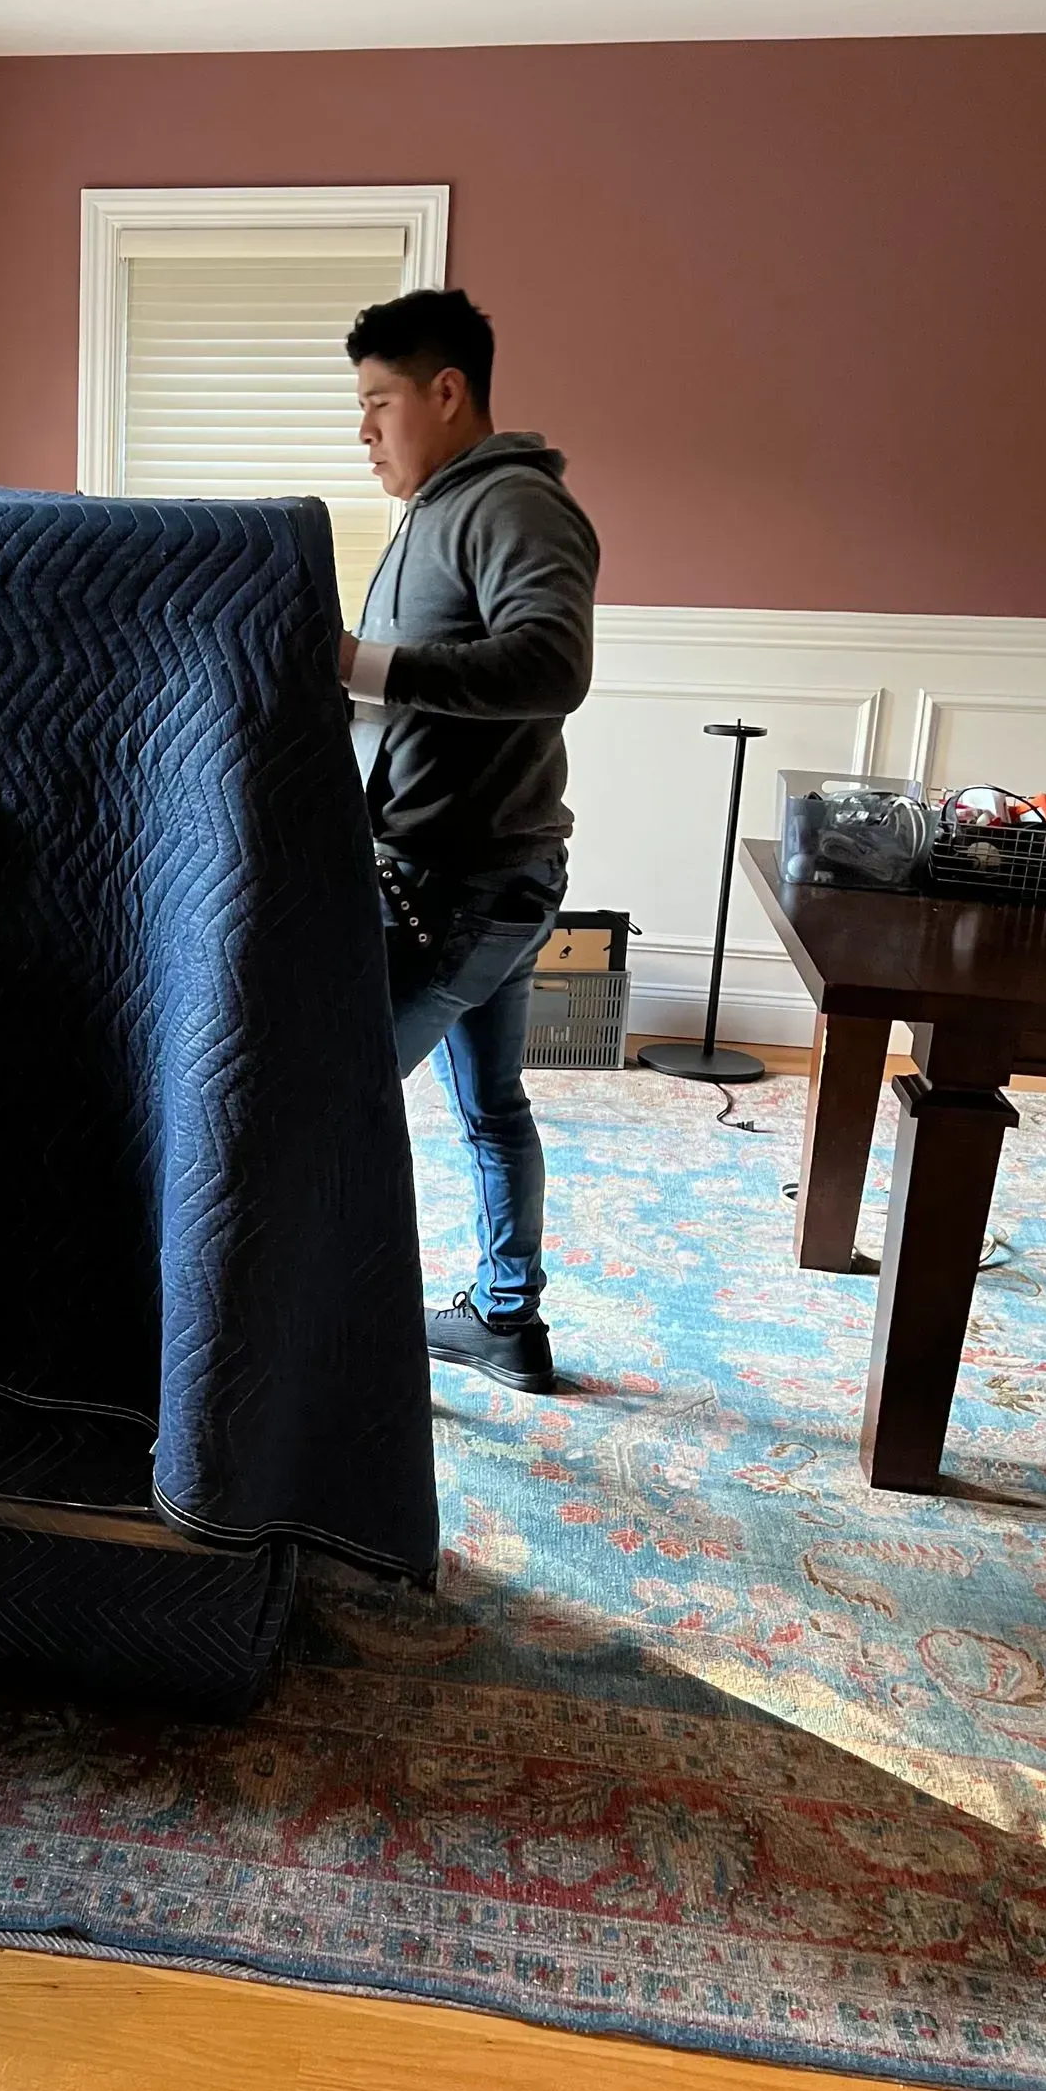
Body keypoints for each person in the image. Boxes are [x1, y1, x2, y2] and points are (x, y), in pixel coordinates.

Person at [338, 289, 599, 1393]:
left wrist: (364, 667)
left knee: (331, 1108)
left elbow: (553, 665)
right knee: (494, 1106)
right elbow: (418, 697)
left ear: (446, 393)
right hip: (485, 876)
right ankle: (506, 1321)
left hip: (460, 889)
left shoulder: (515, 510)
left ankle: (337, 1353)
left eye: (378, 403)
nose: (363, 431)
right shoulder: (440, 513)